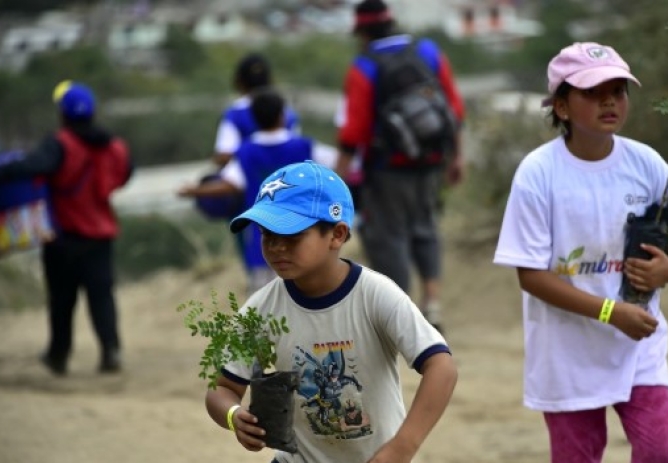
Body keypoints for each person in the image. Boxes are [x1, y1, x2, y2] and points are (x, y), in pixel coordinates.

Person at [492, 42, 668, 463]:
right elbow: (531, 276)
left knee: (663, 457)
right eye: (593, 93)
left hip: (638, 344)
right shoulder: (539, 174)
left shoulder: (647, 163)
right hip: (567, 352)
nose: (610, 102)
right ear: (561, 106)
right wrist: (610, 310)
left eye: (618, 91)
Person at [205, 160, 458, 463]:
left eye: (290, 234)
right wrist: (233, 415)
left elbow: (442, 368)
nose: (275, 246)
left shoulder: (376, 295)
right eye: (266, 234)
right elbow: (222, 389)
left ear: (337, 234)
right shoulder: (260, 309)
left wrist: (403, 447)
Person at [0, 80, 133, 376]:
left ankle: (58, 356)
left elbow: (30, 166)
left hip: (63, 235)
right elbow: (124, 175)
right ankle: (111, 351)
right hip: (101, 235)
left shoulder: (61, 143)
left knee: (62, 299)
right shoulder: (116, 146)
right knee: (102, 296)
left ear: (63, 114)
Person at [334, 0, 465, 333]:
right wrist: (457, 156)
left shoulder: (364, 66)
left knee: (390, 236)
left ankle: (401, 315)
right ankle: (432, 305)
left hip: (387, 166)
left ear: (362, 32)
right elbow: (453, 109)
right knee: (426, 226)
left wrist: (338, 176)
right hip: (432, 160)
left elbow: (355, 130)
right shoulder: (428, 51)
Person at [179, 90, 338, 295]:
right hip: (306, 239)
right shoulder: (304, 147)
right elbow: (339, 165)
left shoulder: (246, 152)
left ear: (254, 119)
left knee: (265, 308)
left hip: (265, 245)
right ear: (283, 115)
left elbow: (229, 184)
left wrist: (194, 191)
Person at [212, 52, 301, 168]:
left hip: (246, 180)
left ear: (239, 81)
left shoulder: (234, 114)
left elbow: (224, 154)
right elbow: (296, 150)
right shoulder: (287, 112)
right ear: (270, 79)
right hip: (285, 179)